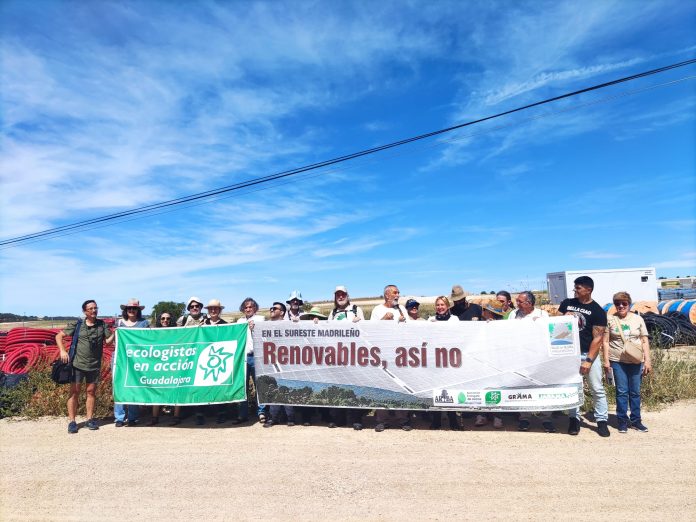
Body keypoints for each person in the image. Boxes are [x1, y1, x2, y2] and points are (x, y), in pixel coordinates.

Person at [559, 276, 609, 437]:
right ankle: (574, 419)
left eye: (578, 288)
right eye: (575, 287)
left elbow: (598, 338)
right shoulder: (567, 303)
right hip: (569, 353)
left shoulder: (598, 311)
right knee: (573, 388)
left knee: (597, 388)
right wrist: (562, 317)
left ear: (588, 290)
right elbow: (555, 326)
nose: (575, 290)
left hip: (588, 354)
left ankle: (602, 421)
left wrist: (588, 360)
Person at [56, 300, 114, 434]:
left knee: (91, 392)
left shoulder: (102, 325)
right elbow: (59, 336)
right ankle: (72, 421)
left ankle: (89, 419)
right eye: (91, 309)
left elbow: (108, 343)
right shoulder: (78, 325)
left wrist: (116, 333)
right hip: (77, 364)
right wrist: (62, 350)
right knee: (74, 392)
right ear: (85, 311)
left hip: (94, 365)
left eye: (95, 308)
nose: (94, 311)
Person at [603, 291, 652, 433]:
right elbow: (605, 342)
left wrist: (647, 360)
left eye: (624, 303)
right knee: (622, 391)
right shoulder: (610, 319)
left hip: (636, 361)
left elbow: (644, 340)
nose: (621, 306)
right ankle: (622, 421)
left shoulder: (638, 319)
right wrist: (606, 361)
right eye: (617, 303)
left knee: (635, 392)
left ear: (629, 304)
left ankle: (636, 421)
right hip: (617, 361)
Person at [508, 291, 555, 433]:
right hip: (521, 358)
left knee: (543, 387)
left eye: (520, 302)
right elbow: (506, 332)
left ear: (529, 303)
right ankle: (525, 417)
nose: (517, 304)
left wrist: (539, 325)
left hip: (539, 358)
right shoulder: (513, 315)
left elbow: (549, 332)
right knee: (523, 387)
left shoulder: (542, 315)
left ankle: (546, 418)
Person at [369, 284, 412, 431]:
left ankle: (402, 419)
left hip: (400, 354)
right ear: (387, 295)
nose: (398, 295)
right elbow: (370, 331)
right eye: (395, 292)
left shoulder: (402, 309)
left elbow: (410, 329)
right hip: (383, 353)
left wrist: (403, 321)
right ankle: (382, 419)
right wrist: (383, 320)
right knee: (383, 386)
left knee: (401, 386)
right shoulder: (377, 310)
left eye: (398, 292)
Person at [327, 286, 365, 430]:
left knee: (354, 388)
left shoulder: (356, 309)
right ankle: (338, 418)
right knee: (337, 388)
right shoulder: (333, 312)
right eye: (338, 295)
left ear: (347, 296)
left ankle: (356, 418)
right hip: (337, 354)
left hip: (354, 354)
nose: (340, 297)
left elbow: (365, 329)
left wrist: (359, 323)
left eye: (343, 294)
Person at [113, 299, 150, 427]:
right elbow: (113, 340)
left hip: (137, 359)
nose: (132, 311)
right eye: (129, 309)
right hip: (120, 358)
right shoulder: (119, 323)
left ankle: (133, 416)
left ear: (138, 311)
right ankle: (119, 417)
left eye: (134, 309)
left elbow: (148, 339)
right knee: (120, 385)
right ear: (125, 310)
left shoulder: (144, 323)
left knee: (134, 385)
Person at [428, 295, 461, 431]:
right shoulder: (430, 320)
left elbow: (458, 335)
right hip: (435, 359)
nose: (440, 307)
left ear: (447, 306)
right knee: (435, 388)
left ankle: (453, 419)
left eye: (442, 305)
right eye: (438, 305)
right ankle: (436, 419)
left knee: (450, 389)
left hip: (451, 358)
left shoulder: (454, 319)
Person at [236, 297, 266, 424]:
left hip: (257, 356)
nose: (248, 309)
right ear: (243, 309)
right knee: (243, 386)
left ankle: (261, 412)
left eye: (250, 307)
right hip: (243, 357)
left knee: (259, 385)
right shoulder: (239, 321)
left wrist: (256, 327)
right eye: (246, 307)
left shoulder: (261, 319)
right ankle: (243, 413)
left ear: (255, 308)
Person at [265, 301, 295, 427]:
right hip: (271, 361)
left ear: (282, 312)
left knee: (287, 388)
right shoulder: (265, 326)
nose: (271, 310)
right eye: (271, 308)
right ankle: (273, 417)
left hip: (287, 361)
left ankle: (290, 417)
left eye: (274, 308)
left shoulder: (289, 324)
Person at [151, 311, 178, 425]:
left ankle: (176, 417)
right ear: (159, 320)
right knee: (157, 389)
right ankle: (154, 417)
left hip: (174, 365)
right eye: (163, 318)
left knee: (177, 389)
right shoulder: (154, 333)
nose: (165, 321)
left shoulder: (177, 332)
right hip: (159, 365)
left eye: (167, 319)